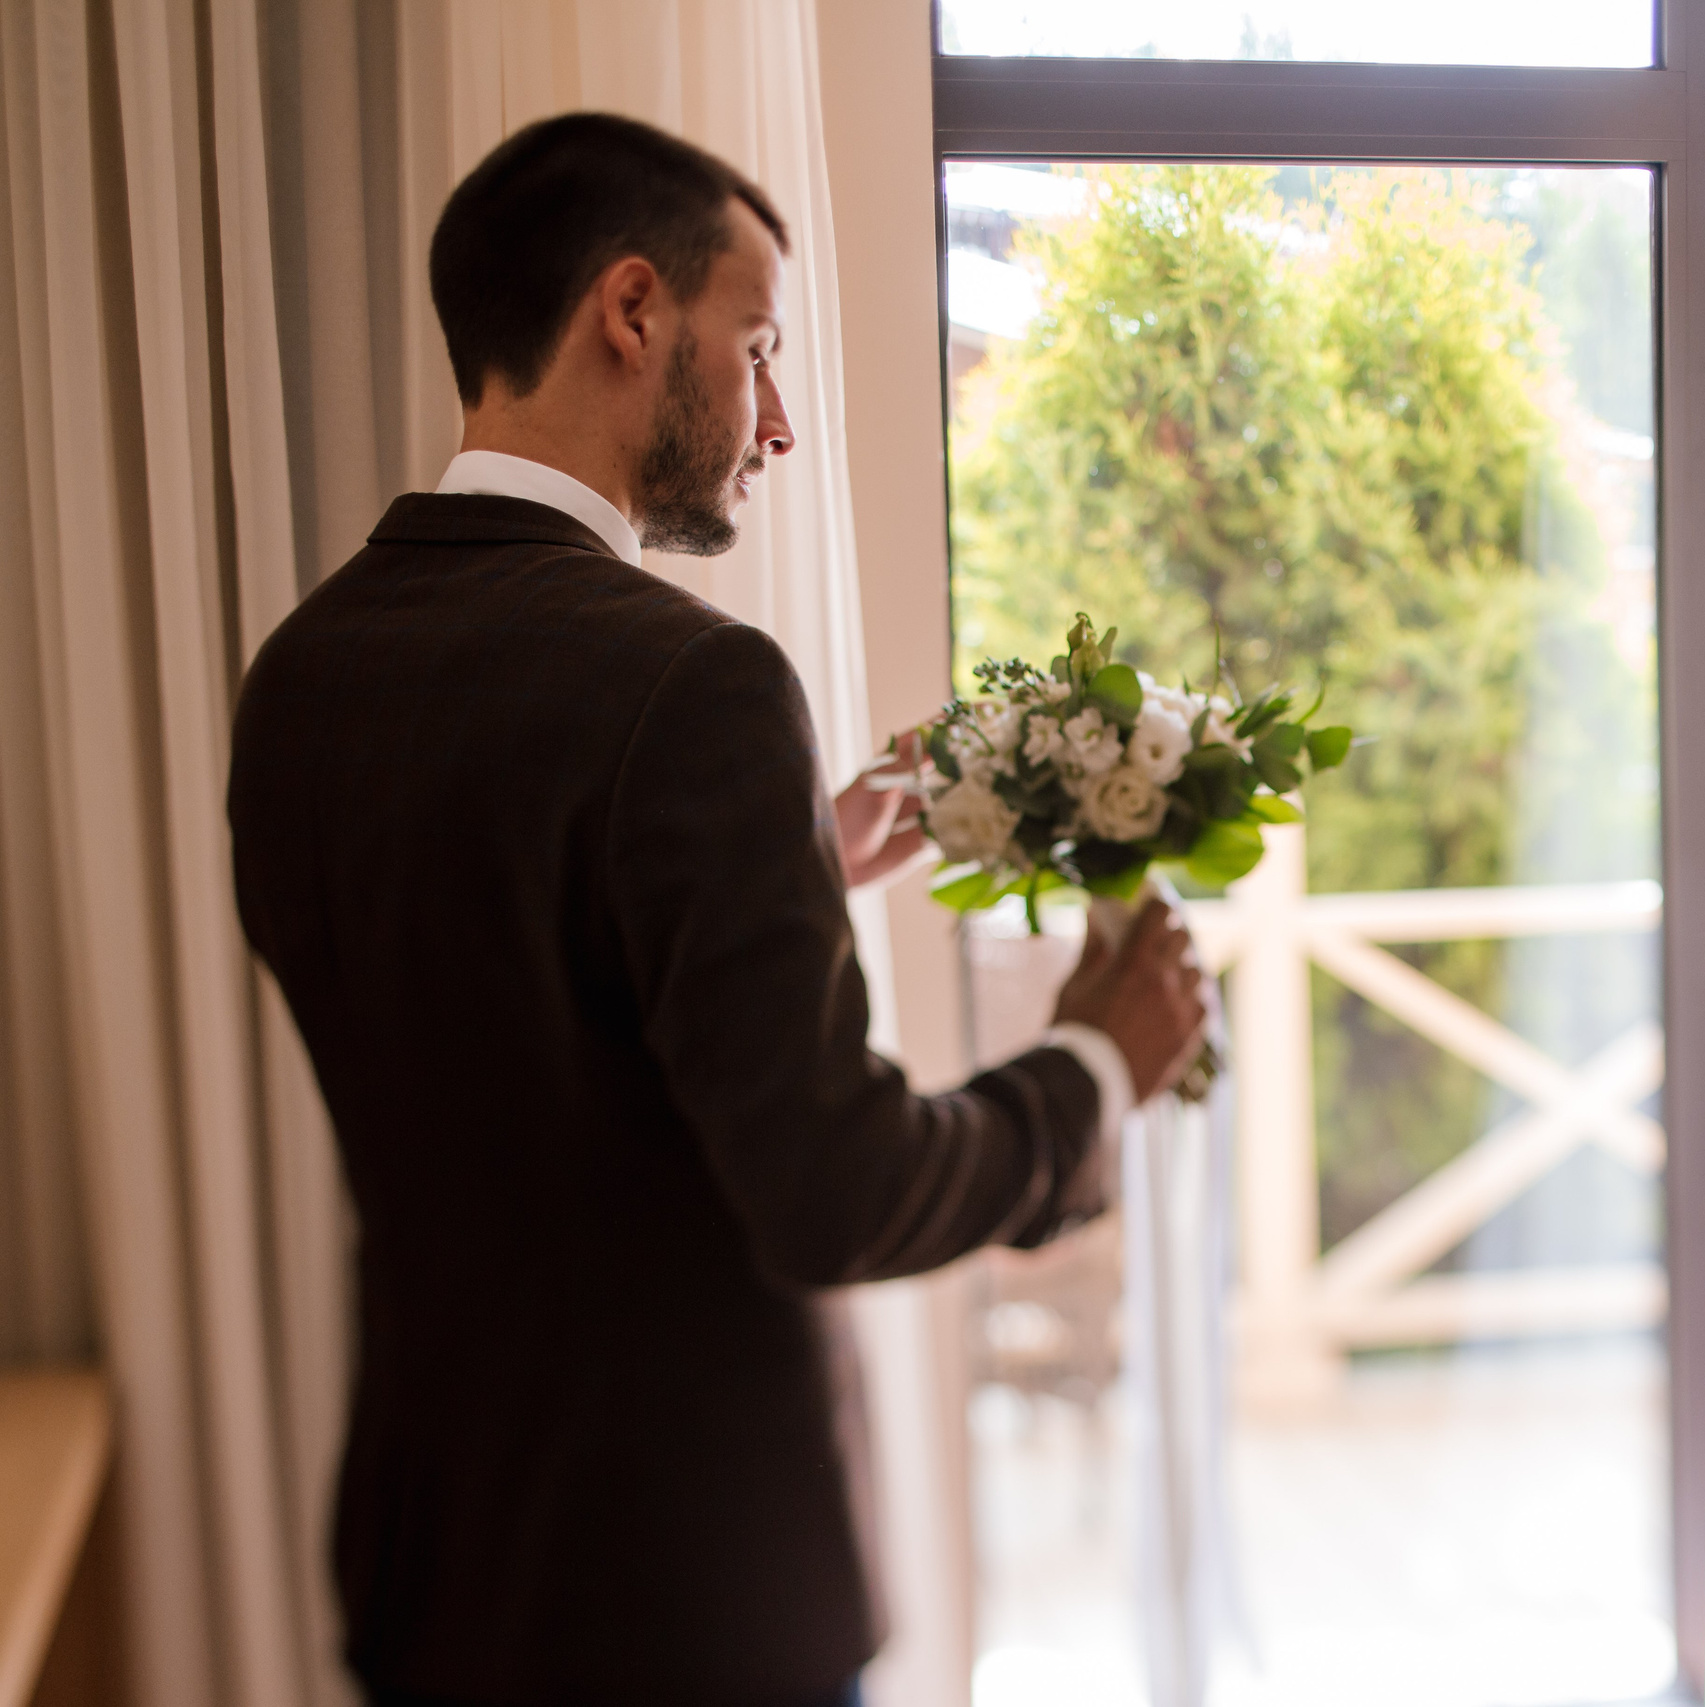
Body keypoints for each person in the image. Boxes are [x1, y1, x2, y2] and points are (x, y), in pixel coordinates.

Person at [228, 112, 1206, 1707]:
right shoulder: (692, 683)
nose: (777, 422)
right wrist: (1095, 1065)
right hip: (689, 1603)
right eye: (757, 348)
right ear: (631, 312)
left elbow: (506, 1004)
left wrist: (785, 863)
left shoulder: (303, 676)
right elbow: (837, 1188)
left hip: (438, 1574)